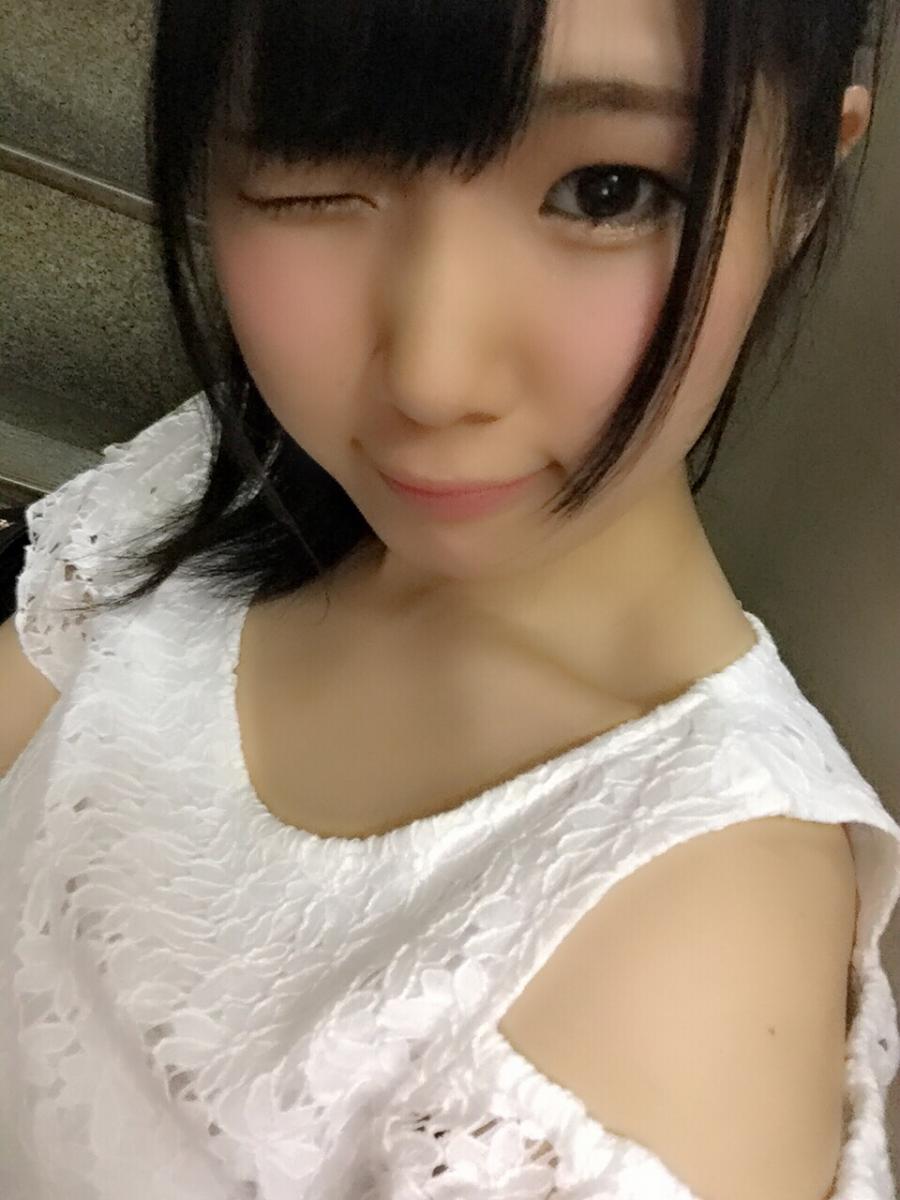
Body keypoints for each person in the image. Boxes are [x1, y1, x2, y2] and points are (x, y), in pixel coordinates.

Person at [1, 0, 898, 1196]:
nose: (431, 375)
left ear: (804, 185)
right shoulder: (235, 471)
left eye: (609, 192)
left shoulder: (690, 960)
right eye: (315, 169)